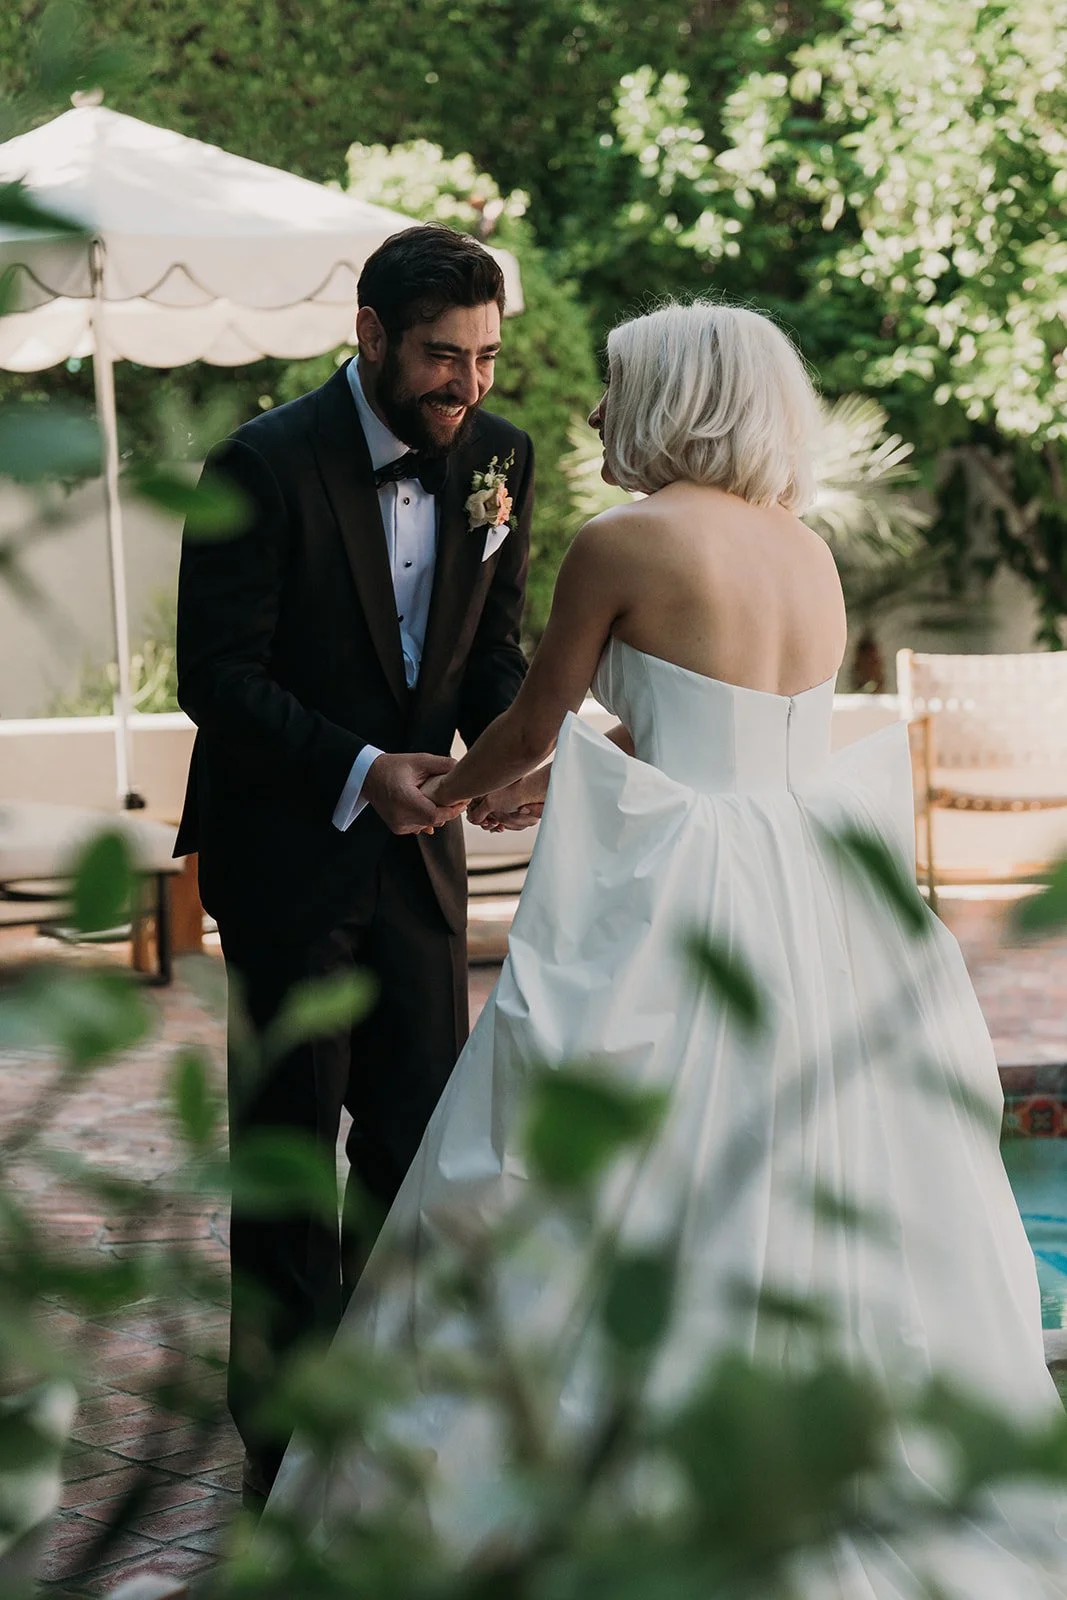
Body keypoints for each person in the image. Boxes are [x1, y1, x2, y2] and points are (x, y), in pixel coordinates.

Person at [266, 300, 1067, 1592]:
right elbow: (733, 724)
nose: (594, 412)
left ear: (672, 402)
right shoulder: (804, 551)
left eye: (614, 388)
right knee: (793, 1158)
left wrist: (448, 792)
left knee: (583, 1158)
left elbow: (534, 722)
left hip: (680, 891)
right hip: (812, 888)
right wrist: (566, 775)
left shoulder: (621, 541)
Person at [174, 224, 534, 1503]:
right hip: (286, 855)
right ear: (371, 334)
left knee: (417, 1143)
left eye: (485, 358)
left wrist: (509, 753)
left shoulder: (500, 460)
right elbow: (217, 679)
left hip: (422, 861)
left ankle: (383, 1417)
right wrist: (360, 767)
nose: (467, 385)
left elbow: (493, 651)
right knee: (287, 1155)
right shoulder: (259, 463)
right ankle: (282, 1447)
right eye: (442, 356)